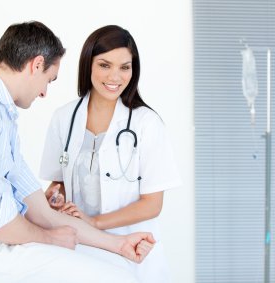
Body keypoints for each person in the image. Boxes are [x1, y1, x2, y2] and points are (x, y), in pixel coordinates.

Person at [0, 21, 156, 283]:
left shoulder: (1, 114)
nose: (44, 92)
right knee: (116, 278)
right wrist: (50, 238)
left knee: (117, 265)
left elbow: (42, 212)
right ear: (36, 64)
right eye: (49, 79)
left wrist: (118, 244)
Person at [40, 25, 182, 283]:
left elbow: (152, 204)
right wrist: (55, 196)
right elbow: (58, 182)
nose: (115, 76)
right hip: (79, 250)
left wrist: (94, 223)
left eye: (124, 67)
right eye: (105, 65)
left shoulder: (147, 124)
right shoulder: (64, 118)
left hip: (133, 252)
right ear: (88, 65)